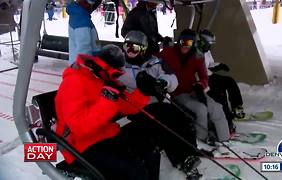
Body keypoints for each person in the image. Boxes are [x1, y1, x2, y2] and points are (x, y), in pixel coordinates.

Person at [55, 44, 160, 180]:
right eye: (114, 73)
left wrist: (143, 92)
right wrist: (108, 100)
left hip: (106, 134)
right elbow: (79, 127)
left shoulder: (99, 79)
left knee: (149, 151)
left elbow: (125, 107)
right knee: (133, 170)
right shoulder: (73, 82)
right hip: (80, 145)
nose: (116, 77)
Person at [118, 30, 202, 180]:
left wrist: (162, 82)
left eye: (135, 48)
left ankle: (190, 152)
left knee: (181, 116)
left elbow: (171, 77)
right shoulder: (119, 66)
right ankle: (182, 157)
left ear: (143, 49)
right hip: (133, 107)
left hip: (154, 101)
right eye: (127, 46)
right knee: (165, 120)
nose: (130, 51)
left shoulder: (154, 62)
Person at [157, 29, 230, 146]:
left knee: (216, 107)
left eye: (189, 43)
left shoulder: (197, 57)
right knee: (200, 109)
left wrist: (200, 86)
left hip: (193, 90)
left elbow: (204, 77)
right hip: (177, 93)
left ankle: (225, 139)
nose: (185, 46)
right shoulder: (168, 53)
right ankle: (200, 140)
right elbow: (152, 61)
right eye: (182, 42)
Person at [197, 29, 246, 133]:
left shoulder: (207, 51)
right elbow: (197, 70)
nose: (210, 46)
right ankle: (227, 123)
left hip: (209, 76)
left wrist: (218, 65)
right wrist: (210, 70)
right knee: (219, 94)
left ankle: (237, 107)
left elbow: (210, 64)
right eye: (209, 43)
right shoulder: (195, 52)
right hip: (201, 80)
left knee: (229, 81)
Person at [67, 0, 102, 65]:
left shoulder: (79, 16)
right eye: (92, 6)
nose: (93, 9)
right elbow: (83, 49)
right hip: (82, 68)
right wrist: (88, 65)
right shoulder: (82, 21)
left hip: (81, 64)